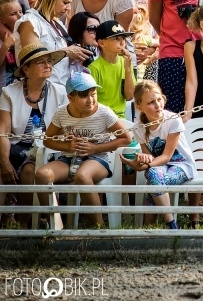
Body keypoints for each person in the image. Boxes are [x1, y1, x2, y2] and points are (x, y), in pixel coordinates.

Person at [34, 72, 132, 228]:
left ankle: (99, 229)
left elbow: (126, 138)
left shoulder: (104, 112)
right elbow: (47, 140)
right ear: (71, 98)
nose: (91, 100)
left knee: (82, 176)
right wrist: (67, 146)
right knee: (42, 175)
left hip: (98, 159)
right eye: (84, 96)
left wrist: (95, 148)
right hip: (68, 159)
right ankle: (55, 225)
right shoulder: (62, 113)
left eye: (93, 94)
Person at [0, 44, 68, 228]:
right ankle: (5, 222)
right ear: (26, 69)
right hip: (17, 146)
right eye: (41, 62)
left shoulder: (60, 92)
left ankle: (23, 226)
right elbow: (3, 132)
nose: (48, 66)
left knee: (30, 171)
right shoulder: (9, 92)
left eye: (49, 62)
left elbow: (64, 130)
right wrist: (4, 162)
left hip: (48, 148)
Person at [120, 80, 195, 229]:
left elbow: (166, 157)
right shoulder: (138, 128)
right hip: (160, 167)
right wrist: (140, 162)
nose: (158, 105)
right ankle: (165, 224)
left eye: (159, 99)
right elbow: (151, 158)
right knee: (154, 174)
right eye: (151, 102)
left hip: (182, 165)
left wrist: (145, 166)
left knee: (154, 176)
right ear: (139, 106)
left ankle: (164, 225)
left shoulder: (173, 120)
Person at [14, 0, 93, 85]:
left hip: (62, 89)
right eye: (65, 2)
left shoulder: (58, 23)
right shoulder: (29, 21)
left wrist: (77, 55)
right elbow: (33, 60)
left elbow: (62, 60)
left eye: (70, 3)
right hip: (40, 89)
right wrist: (66, 52)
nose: (68, 8)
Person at [88, 20, 135, 120]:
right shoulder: (94, 68)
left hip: (120, 117)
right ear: (102, 43)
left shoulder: (126, 62)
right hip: (99, 118)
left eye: (123, 38)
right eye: (116, 38)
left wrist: (127, 69)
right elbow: (90, 101)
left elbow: (129, 96)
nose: (122, 42)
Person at [130, 4, 159, 81]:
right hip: (140, 76)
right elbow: (161, 43)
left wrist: (153, 55)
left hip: (129, 75)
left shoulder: (124, 40)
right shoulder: (145, 39)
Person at [66, 12, 100, 77]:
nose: (98, 33)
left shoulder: (105, 53)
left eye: (99, 28)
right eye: (92, 29)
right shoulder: (68, 60)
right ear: (78, 31)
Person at [0, 0, 22, 85]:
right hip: (5, 86)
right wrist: (5, 46)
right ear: (2, 20)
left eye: (20, 11)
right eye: (13, 14)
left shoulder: (24, 32)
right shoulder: (3, 39)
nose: (20, 16)